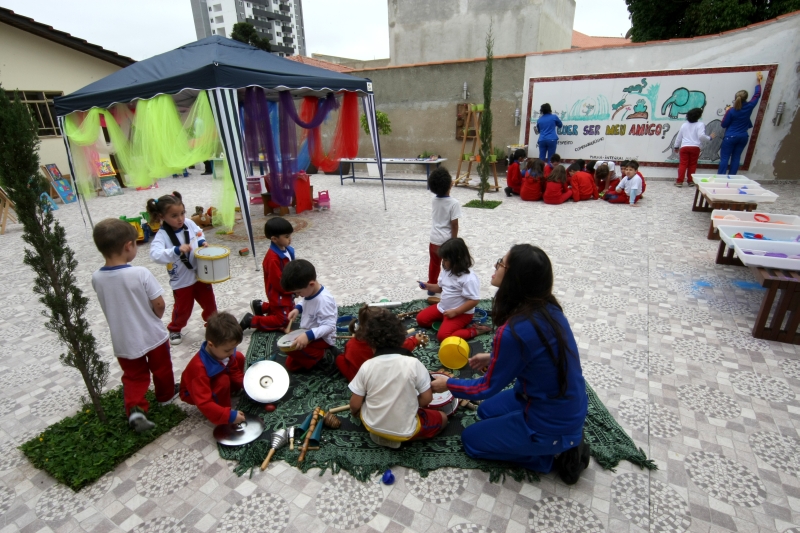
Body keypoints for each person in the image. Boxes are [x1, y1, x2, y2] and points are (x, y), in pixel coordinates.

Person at [431, 244, 589, 484]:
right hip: (554, 401)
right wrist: (494, 357)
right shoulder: (549, 308)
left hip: (551, 420)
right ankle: (548, 438)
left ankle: (552, 455)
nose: (495, 267)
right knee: (484, 412)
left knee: (471, 441)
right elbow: (535, 354)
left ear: (516, 278)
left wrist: (449, 384)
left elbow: (485, 387)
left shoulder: (514, 330)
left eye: (501, 264)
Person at [91, 218, 176, 433]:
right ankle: (165, 397)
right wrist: (156, 316)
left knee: (134, 376)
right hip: (152, 335)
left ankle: (136, 409)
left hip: (123, 340)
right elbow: (159, 303)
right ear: (128, 245)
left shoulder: (97, 278)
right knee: (162, 368)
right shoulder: (140, 273)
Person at [348, 309, 448, 449]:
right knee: (443, 418)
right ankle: (405, 438)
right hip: (405, 431)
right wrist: (410, 406)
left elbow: (354, 405)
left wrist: (356, 413)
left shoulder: (366, 366)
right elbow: (427, 399)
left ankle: (382, 435)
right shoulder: (413, 363)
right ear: (400, 337)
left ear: (370, 342)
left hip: (372, 426)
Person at [147, 191, 217, 345]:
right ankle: (175, 328)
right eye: (174, 216)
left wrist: (201, 242)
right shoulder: (162, 235)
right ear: (161, 216)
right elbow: (155, 255)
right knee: (183, 308)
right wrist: (176, 250)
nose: (180, 218)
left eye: (182, 213)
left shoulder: (189, 223)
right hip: (181, 280)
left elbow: (198, 232)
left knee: (210, 303)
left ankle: (213, 326)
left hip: (200, 274)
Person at [417, 238, 490, 342]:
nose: (443, 262)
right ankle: (447, 325)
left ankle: (474, 331)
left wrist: (456, 312)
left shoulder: (469, 278)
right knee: (421, 319)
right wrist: (428, 286)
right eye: (443, 259)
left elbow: (474, 300)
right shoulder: (447, 271)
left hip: (461, 313)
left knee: (443, 337)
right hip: (443, 308)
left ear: (457, 259)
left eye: (446, 260)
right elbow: (441, 288)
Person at [179, 312, 246, 426]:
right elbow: (203, 402)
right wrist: (229, 416)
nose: (231, 352)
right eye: (227, 350)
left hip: (213, 375)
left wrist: (248, 385)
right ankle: (222, 409)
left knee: (238, 357)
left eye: (234, 347)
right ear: (211, 345)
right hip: (194, 393)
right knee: (223, 380)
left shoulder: (222, 352)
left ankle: (232, 390)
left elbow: (234, 370)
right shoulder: (199, 369)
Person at [335, 305, 426, 382]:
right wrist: (415, 340)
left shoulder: (351, 344)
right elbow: (404, 346)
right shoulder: (385, 344)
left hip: (358, 379)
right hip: (377, 380)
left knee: (340, 358)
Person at [239, 217, 295, 331]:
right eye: (287, 236)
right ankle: (251, 320)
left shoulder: (288, 250)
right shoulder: (272, 259)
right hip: (278, 294)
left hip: (287, 292)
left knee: (291, 311)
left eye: (290, 235)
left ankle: (261, 306)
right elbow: (278, 282)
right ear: (274, 239)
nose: (290, 239)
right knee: (284, 320)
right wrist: (293, 290)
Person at [282, 259, 337, 371]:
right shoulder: (310, 291)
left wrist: (308, 336)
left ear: (311, 284)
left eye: (298, 292)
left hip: (322, 339)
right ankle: (313, 357)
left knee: (293, 349)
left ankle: (324, 355)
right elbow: (306, 301)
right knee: (291, 364)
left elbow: (329, 326)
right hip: (309, 332)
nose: (298, 295)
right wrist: (297, 309)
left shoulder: (324, 301)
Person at [718, 71, 763, 175]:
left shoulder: (731, 111)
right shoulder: (750, 106)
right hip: (743, 136)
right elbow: (757, 95)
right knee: (736, 158)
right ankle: (732, 178)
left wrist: (726, 112)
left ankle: (721, 177)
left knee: (724, 158)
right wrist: (758, 82)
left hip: (730, 136)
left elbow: (723, 124)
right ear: (746, 98)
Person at [426, 167, 461, 299]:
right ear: (449, 185)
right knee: (449, 264)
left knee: (434, 264)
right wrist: (454, 241)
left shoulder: (434, 200)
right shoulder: (454, 203)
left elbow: (442, 194)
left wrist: (448, 186)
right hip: (447, 241)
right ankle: (450, 286)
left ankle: (431, 286)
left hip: (434, 239)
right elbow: (454, 224)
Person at [673, 107, 710, 187]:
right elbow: (701, 136)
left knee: (683, 164)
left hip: (684, 147)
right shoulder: (700, 125)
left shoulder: (684, 125)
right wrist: (709, 138)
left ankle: (679, 181)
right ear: (699, 116)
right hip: (695, 147)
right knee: (692, 164)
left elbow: (679, 137)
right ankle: (690, 181)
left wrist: (676, 146)